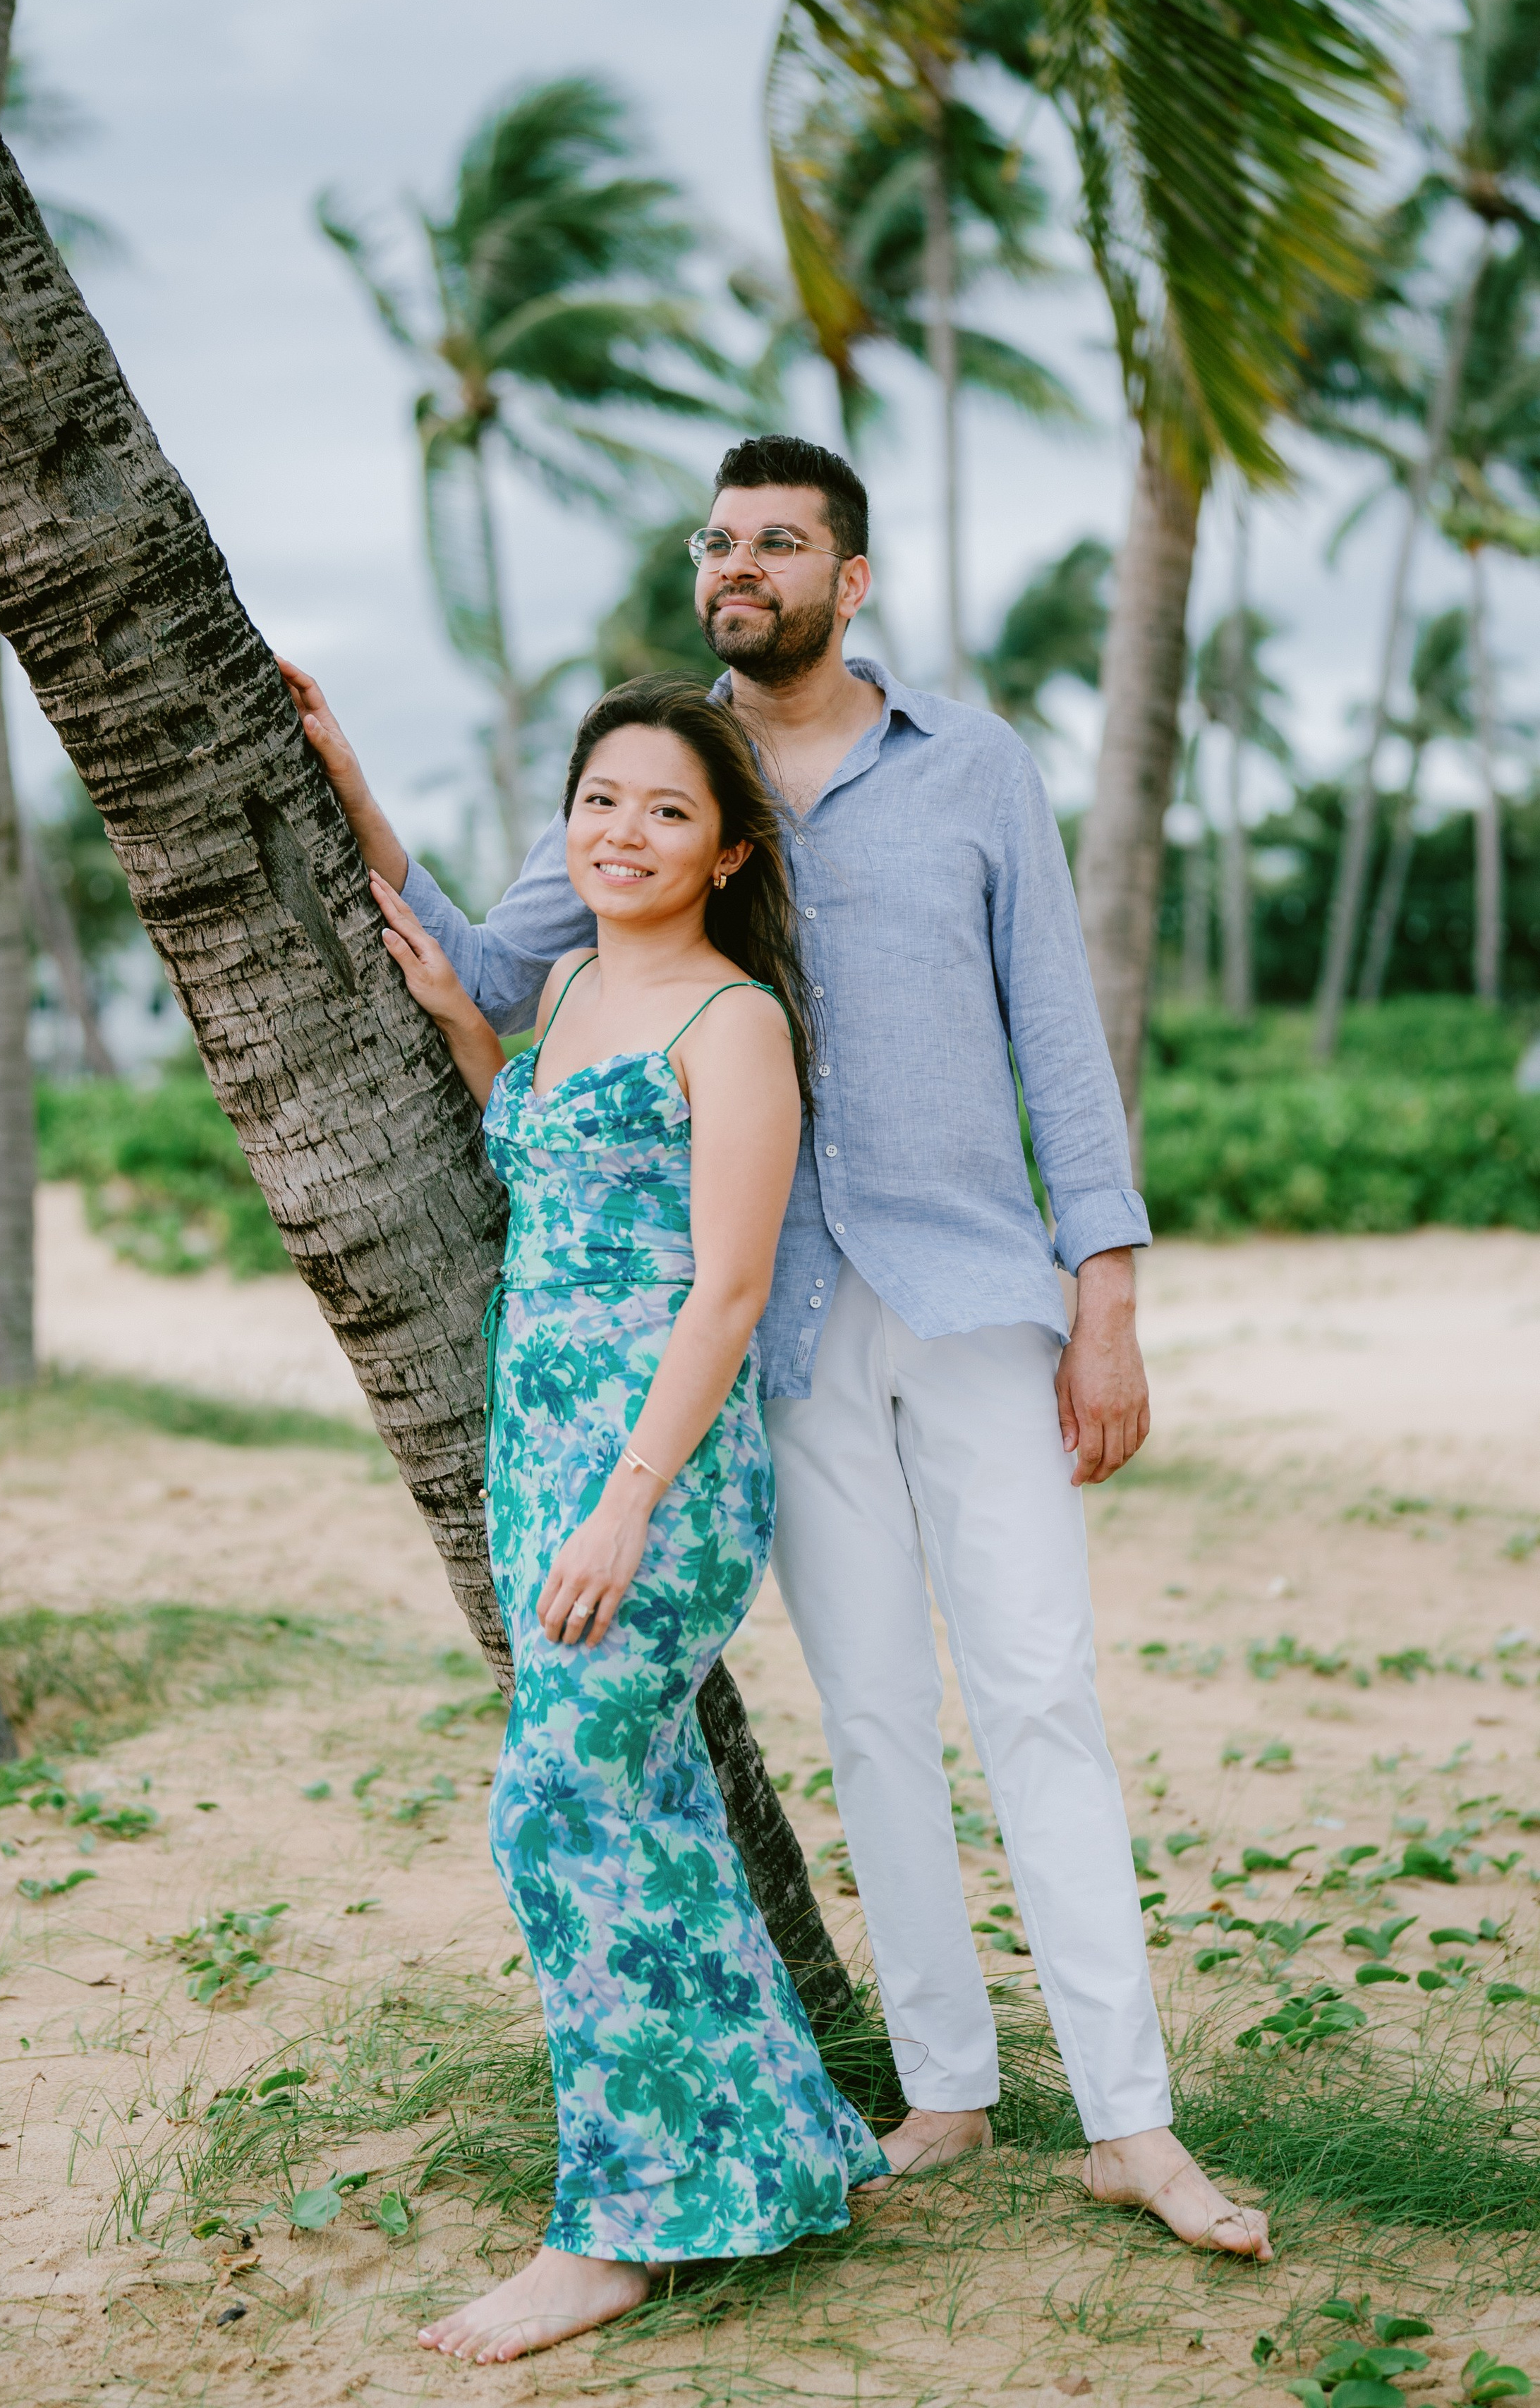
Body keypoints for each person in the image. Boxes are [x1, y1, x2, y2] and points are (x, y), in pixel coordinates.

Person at [281, 432, 1272, 2266]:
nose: (743, 564)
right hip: (785, 1324)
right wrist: (346, 781)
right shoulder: (677, 785)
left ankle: (1137, 2123)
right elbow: (491, 975)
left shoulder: (970, 767)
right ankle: (947, 2093)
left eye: (782, 540)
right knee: (879, 1715)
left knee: (1040, 1690)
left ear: (852, 577)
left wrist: (1109, 1289)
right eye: (723, 540)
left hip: (978, 1297)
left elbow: (1058, 1028)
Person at [359, 674, 887, 2365]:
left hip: (648, 1480)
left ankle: (618, 2229)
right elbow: (540, 1157)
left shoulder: (732, 1024)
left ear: (727, 851)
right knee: (648, 1807)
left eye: (665, 811)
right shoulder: (576, 982)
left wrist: (624, 1509)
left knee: (554, 1811)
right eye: (599, 800)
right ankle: (779, 2156)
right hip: (539, 1455)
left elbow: (724, 1289)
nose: (623, 832)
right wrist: (369, 816)